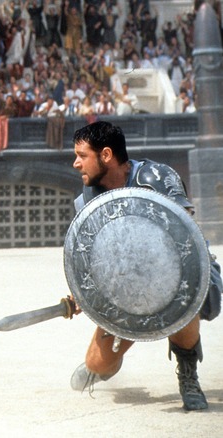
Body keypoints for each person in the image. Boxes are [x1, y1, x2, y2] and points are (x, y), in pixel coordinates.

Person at [69, 121, 222, 411]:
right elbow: (89, 258)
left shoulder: (157, 178)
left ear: (105, 155)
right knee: (97, 362)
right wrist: (83, 295)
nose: (76, 163)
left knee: (187, 301)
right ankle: (101, 368)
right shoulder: (88, 200)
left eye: (81, 155)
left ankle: (188, 375)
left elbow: (186, 236)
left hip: (175, 278)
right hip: (124, 290)